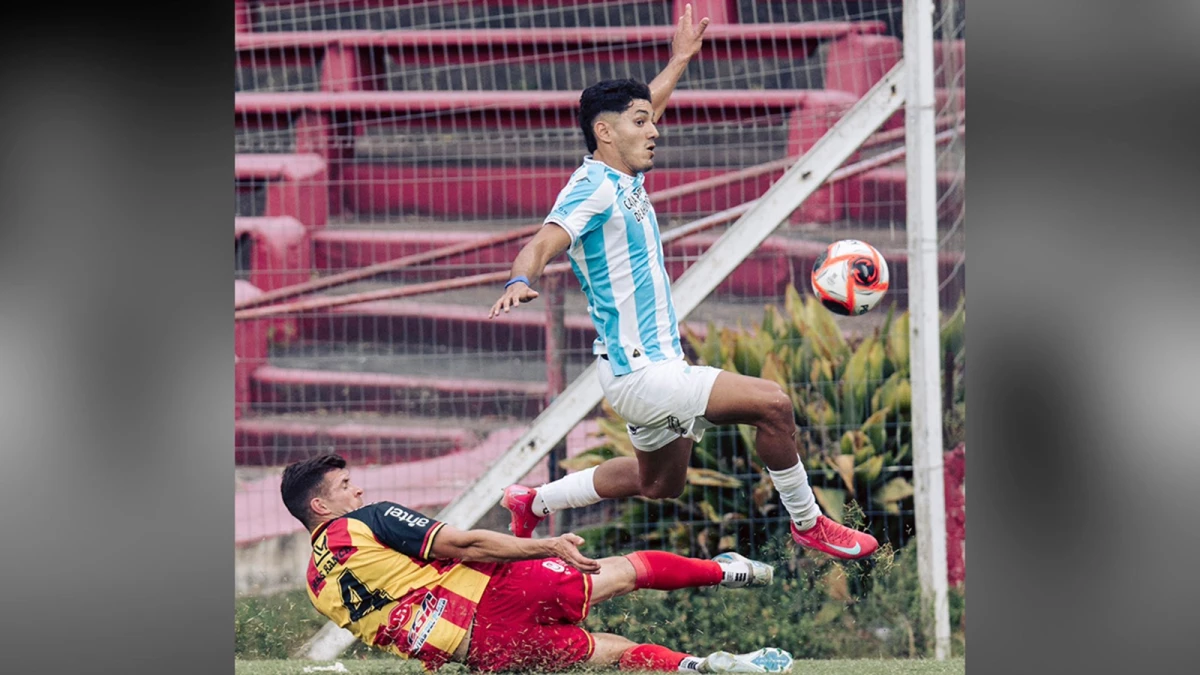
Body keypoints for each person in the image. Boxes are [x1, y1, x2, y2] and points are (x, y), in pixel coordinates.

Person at [487, 3, 878, 560]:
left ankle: (534, 501)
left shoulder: (619, 166)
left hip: (642, 368)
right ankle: (809, 522)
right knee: (772, 404)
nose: (655, 129)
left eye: (652, 119)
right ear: (605, 132)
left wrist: (679, 60)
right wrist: (519, 278)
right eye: (641, 122)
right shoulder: (591, 188)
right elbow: (545, 240)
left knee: (659, 484)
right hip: (642, 371)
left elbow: (650, 104)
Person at [280, 453, 795, 673]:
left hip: (482, 652)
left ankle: (697, 666)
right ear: (320, 507)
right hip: (497, 592)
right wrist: (543, 546)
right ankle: (730, 570)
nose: (359, 489)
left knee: (615, 654)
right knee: (627, 571)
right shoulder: (366, 521)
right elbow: (463, 546)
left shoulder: (315, 586)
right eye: (346, 486)